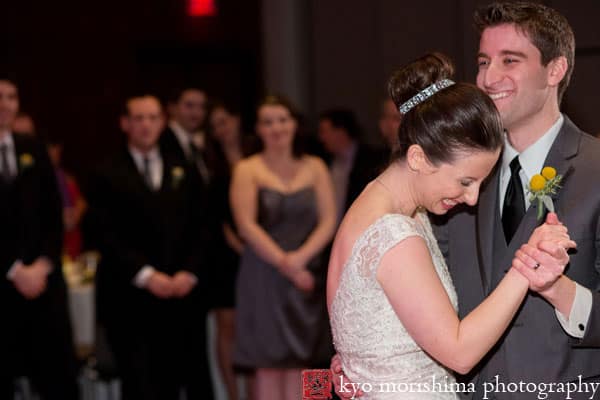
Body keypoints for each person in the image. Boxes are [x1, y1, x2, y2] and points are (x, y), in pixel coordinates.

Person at [334, 3, 600, 399]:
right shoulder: (440, 182)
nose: (490, 78)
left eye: (510, 60)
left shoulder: (595, 169)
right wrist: (364, 366)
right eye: (482, 61)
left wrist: (561, 291)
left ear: (555, 69)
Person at [88, 94, 213, 399]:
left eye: (153, 118)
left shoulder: (184, 166)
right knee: (139, 381)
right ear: (125, 124)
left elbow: (204, 225)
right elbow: (104, 233)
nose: (146, 125)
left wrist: (189, 272)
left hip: (181, 294)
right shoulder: (106, 171)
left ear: (163, 122)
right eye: (139, 118)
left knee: (184, 378)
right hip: (129, 296)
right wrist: (146, 275)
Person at [230, 94, 337, 400]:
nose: (276, 127)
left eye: (282, 119)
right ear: (258, 129)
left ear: (294, 124)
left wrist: (301, 260)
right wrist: (286, 265)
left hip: (309, 273)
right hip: (264, 274)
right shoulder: (247, 169)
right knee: (268, 365)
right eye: (268, 121)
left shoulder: (315, 166)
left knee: (312, 360)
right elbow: (246, 226)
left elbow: (330, 220)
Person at [0, 77, 79, 399]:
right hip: (4, 283)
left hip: (43, 283)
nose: (5, 104)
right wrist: (14, 269)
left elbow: (53, 215)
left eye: (11, 97)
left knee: (57, 379)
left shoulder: (33, 148)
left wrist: (43, 264)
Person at [207, 101, 257, 400]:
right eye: (215, 126)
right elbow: (212, 214)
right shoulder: (210, 162)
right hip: (225, 254)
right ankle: (231, 393)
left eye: (224, 121)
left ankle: (255, 392)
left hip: (260, 250)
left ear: (237, 121)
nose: (221, 130)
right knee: (227, 327)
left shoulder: (256, 154)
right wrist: (237, 243)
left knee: (252, 325)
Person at [318, 108, 386, 224]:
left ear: (340, 132)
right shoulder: (325, 160)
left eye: (325, 131)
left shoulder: (372, 160)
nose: (321, 137)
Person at [160, 86, 211, 186]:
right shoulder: (161, 140)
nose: (196, 113)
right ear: (172, 108)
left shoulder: (205, 142)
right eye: (189, 105)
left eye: (202, 107)